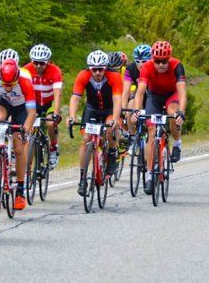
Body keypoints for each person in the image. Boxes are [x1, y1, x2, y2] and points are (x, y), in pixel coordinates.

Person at [130, 40, 187, 195]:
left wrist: (181, 112)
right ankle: (149, 175)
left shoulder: (177, 66)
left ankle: (177, 143)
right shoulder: (147, 67)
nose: (161, 65)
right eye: (157, 61)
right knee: (151, 130)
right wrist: (136, 110)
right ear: (152, 59)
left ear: (169, 59)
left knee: (172, 114)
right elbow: (140, 92)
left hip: (171, 95)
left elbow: (182, 92)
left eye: (164, 61)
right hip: (154, 97)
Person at [68, 50, 123, 195]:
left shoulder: (114, 77)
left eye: (101, 69)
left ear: (106, 68)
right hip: (92, 109)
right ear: (89, 68)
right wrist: (72, 117)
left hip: (109, 109)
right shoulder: (83, 75)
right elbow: (75, 98)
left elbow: (118, 100)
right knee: (86, 139)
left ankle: (112, 153)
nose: (98, 73)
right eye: (94, 69)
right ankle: (82, 178)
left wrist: (116, 119)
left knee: (111, 127)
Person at [0, 58, 37, 210]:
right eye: (4, 84)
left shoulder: (25, 82)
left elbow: (32, 112)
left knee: (19, 148)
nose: (7, 88)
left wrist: (25, 128)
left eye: (11, 85)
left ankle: (20, 190)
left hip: (21, 109)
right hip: (3, 105)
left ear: (17, 78)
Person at [23, 44, 64, 168]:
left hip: (49, 103)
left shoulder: (55, 71)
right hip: (33, 104)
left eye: (42, 63)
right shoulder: (26, 70)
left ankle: (53, 148)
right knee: (28, 128)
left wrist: (56, 113)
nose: (39, 66)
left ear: (48, 62)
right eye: (36, 63)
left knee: (50, 123)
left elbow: (57, 94)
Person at [122, 44, 152, 132]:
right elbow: (125, 91)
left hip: (153, 97)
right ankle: (132, 136)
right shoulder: (130, 68)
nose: (140, 64)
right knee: (130, 106)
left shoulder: (155, 68)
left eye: (144, 61)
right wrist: (124, 110)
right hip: (140, 96)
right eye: (137, 61)